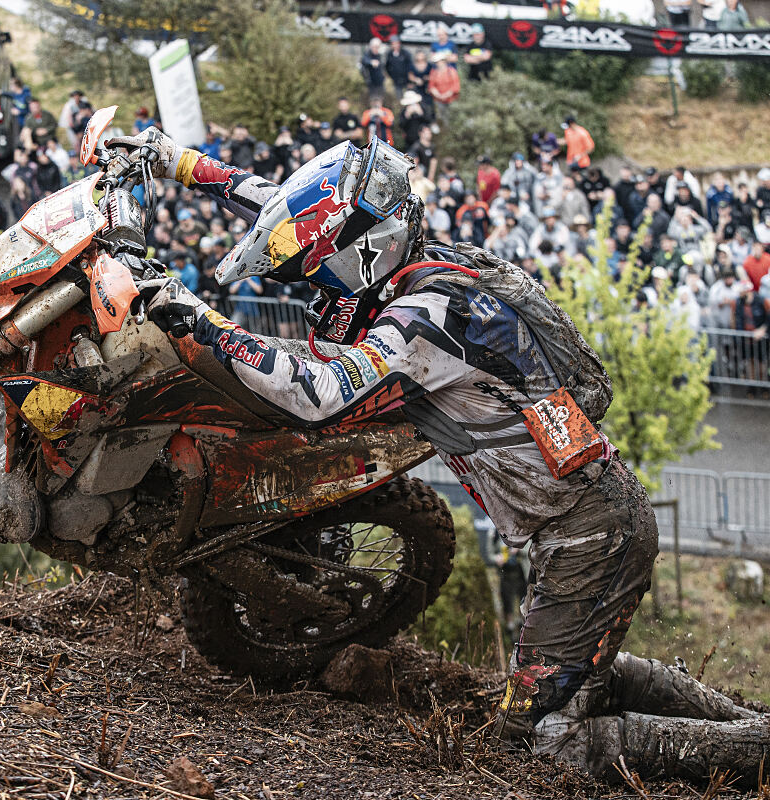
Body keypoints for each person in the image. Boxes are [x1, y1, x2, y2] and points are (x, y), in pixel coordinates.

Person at [108, 125, 767, 783]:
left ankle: (752, 752)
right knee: (574, 675)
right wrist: (178, 163)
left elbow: (317, 394)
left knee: (537, 739)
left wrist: (192, 315)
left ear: (363, 253)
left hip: (589, 535)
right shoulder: (426, 264)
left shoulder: (423, 317)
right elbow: (289, 209)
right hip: (588, 518)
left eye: (320, 274)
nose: (315, 287)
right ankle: (737, 719)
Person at [359, 38, 386, 103]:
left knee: (381, 100)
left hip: (380, 83)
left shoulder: (380, 55)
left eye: (377, 47)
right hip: (371, 83)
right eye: (374, 47)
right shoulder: (367, 54)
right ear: (371, 46)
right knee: (372, 100)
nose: (376, 49)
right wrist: (371, 62)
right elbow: (364, 60)